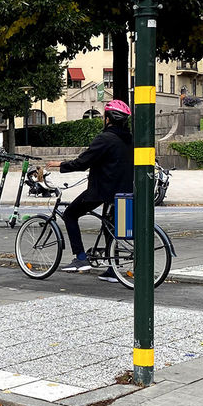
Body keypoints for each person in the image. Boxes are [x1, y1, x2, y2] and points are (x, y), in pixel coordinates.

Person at [46, 99, 133, 280]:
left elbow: (83, 162)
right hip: (124, 191)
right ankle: (113, 270)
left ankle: (80, 258)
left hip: (102, 190)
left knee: (70, 214)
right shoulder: (130, 139)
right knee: (111, 226)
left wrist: (59, 164)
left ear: (108, 119)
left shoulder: (105, 138)